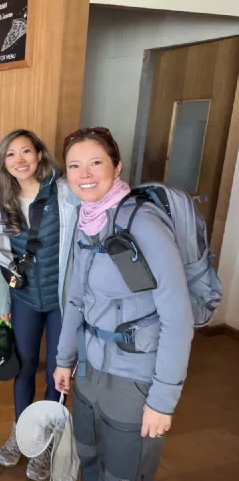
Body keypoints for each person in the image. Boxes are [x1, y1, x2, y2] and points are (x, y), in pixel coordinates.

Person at [53, 127, 194, 481]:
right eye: (74, 166)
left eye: (95, 163)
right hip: (88, 372)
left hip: (134, 378)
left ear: (116, 167)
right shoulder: (86, 219)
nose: (84, 174)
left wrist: (162, 401)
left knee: (123, 474)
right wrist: (64, 359)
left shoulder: (143, 223)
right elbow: (76, 298)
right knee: (88, 458)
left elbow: (177, 319)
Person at [0, 129, 79, 481]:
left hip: (62, 302)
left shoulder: (65, 192)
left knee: (57, 372)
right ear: (3, 162)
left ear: (39, 154)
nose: (19, 160)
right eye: (10, 154)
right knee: (23, 369)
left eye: (25, 151)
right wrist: (2, 300)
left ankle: (47, 443)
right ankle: (23, 434)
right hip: (24, 299)